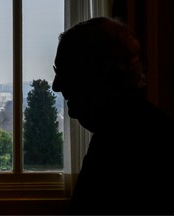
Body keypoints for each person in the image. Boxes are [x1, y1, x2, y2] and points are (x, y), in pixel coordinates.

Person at [52, 16, 174, 215]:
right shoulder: (139, 131)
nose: (55, 86)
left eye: (65, 71)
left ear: (99, 73)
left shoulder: (120, 146)